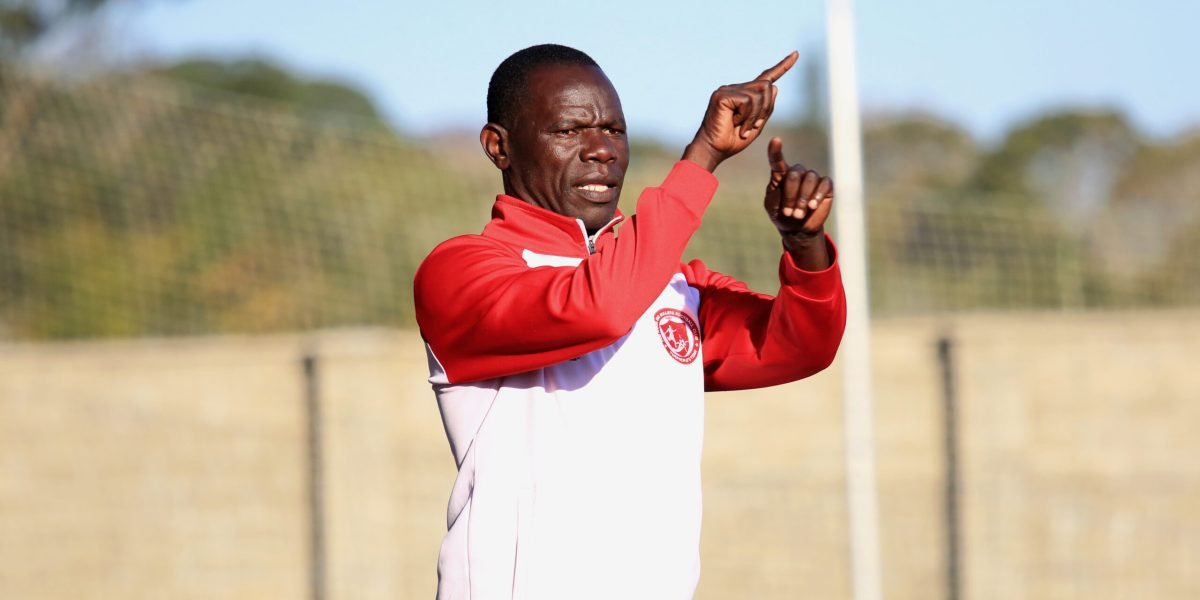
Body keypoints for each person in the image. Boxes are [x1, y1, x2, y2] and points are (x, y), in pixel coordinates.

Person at [414, 44, 847, 600]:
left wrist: (804, 244)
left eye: (615, 131)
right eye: (570, 131)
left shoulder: (673, 285)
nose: (601, 150)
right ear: (499, 147)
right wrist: (702, 159)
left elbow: (797, 346)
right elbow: (599, 308)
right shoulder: (461, 270)